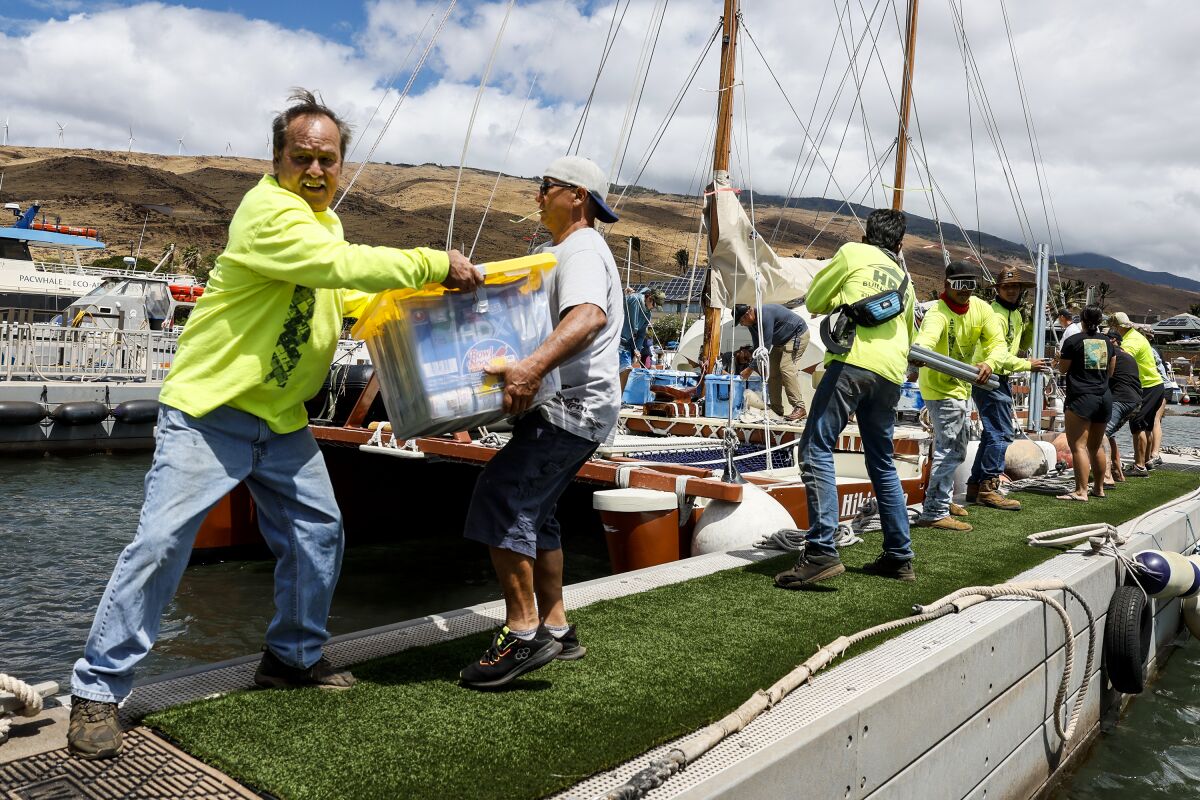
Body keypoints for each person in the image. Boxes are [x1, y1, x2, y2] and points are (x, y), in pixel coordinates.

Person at [67, 90, 483, 759]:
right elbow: (332, 267)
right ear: (277, 159)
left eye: (326, 160)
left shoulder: (326, 225)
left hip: (281, 420)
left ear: (341, 165)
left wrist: (415, 306)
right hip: (210, 413)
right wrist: (432, 261)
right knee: (163, 542)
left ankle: (291, 657)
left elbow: (344, 288)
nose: (314, 171)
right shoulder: (267, 213)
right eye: (302, 158)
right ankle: (96, 690)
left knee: (318, 532)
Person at [459, 155, 622, 688]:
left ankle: (523, 634)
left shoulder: (580, 248)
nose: (537, 195)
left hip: (571, 407)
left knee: (500, 497)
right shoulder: (567, 251)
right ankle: (556, 626)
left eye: (544, 186)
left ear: (577, 195)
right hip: (574, 405)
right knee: (540, 512)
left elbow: (587, 316)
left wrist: (528, 368)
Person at [774, 208, 916, 588]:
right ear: (899, 245)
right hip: (890, 374)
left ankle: (821, 550)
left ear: (867, 235)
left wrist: (845, 296)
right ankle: (899, 556)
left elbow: (817, 299)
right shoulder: (905, 279)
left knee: (816, 447)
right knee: (882, 462)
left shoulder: (852, 253)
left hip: (851, 363)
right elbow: (910, 336)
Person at [912, 260, 1006, 532]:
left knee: (950, 446)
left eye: (971, 285)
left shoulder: (981, 309)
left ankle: (944, 500)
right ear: (946, 285)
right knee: (952, 449)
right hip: (941, 388)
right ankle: (934, 510)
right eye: (959, 285)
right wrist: (919, 354)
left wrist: (990, 363)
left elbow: (997, 343)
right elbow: (926, 341)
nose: (966, 291)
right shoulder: (937, 313)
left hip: (962, 385)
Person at [966, 268, 1050, 510]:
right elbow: (999, 355)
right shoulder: (996, 315)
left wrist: (1033, 322)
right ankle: (988, 486)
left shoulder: (1015, 314)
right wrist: (1027, 364)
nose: (1012, 291)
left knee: (992, 433)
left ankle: (976, 485)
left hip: (996, 377)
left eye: (1016, 287)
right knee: (1001, 433)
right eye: (1007, 287)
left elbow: (1021, 343)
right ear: (998, 289)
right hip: (989, 375)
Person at [1056, 306, 1116, 501]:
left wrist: (1060, 360)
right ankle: (1099, 488)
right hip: (1104, 396)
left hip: (1082, 397)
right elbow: (1111, 371)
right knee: (1096, 446)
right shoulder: (1107, 341)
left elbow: (1063, 369)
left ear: (1081, 320)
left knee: (1078, 446)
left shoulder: (1073, 341)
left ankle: (1081, 491)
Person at [732, 303, 810, 421]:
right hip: (780, 342)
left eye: (741, 321)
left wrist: (749, 369)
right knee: (772, 372)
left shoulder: (765, 315)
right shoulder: (751, 324)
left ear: (747, 314)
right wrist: (754, 365)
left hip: (797, 335)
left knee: (786, 368)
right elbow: (758, 346)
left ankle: (800, 407)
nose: (742, 324)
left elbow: (766, 347)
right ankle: (776, 409)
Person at [1110, 311, 1164, 477]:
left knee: (1137, 425)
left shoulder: (1132, 340)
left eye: (1112, 328)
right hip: (1154, 384)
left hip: (1147, 385)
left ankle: (1139, 466)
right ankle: (1145, 462)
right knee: (1146, 426)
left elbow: (1121, 357)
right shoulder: (1135, 335)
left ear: (1117, 327)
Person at [1103, 329, 1142, 483]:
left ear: (1113, 341)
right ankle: (1118, 472)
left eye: (1105, 339)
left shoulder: (1112, 355)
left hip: (1121, 400)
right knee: (1109, 434)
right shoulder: (1128, 356)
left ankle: (1106, 477)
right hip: (1135, 401)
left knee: (1102, 435)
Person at [619, 287, 663, 371]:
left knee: (625, 371)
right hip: (616, 341)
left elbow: (641, 334)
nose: (653, 308)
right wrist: (624, 295)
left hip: (627, 345)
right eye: (654, 305)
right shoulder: (634, 299)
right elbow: (617, 305)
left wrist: (637, 349)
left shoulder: (647, 315)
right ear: (649, 298)